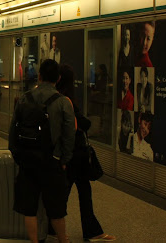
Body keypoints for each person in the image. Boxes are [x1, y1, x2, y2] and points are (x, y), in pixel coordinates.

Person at [8, 59, 76, 243]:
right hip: (52, 162)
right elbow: (69, 136)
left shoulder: (24, 98)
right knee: (56, 209)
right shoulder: (63, 102)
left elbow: (13, 131)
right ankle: (63, 240)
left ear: (39, 76)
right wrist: (64, 160)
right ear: (58, 78)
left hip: (28, 160)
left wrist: (18, 155)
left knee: (29, 208)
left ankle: (34, 241)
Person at [54, 64, 116, 242]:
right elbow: (83, 123)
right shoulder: (67, 100)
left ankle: (53, 227)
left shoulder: (56, 98)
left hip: (68, 153)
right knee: (81, 192)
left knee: (69, 192)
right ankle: (90, 231)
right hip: (76, 153)